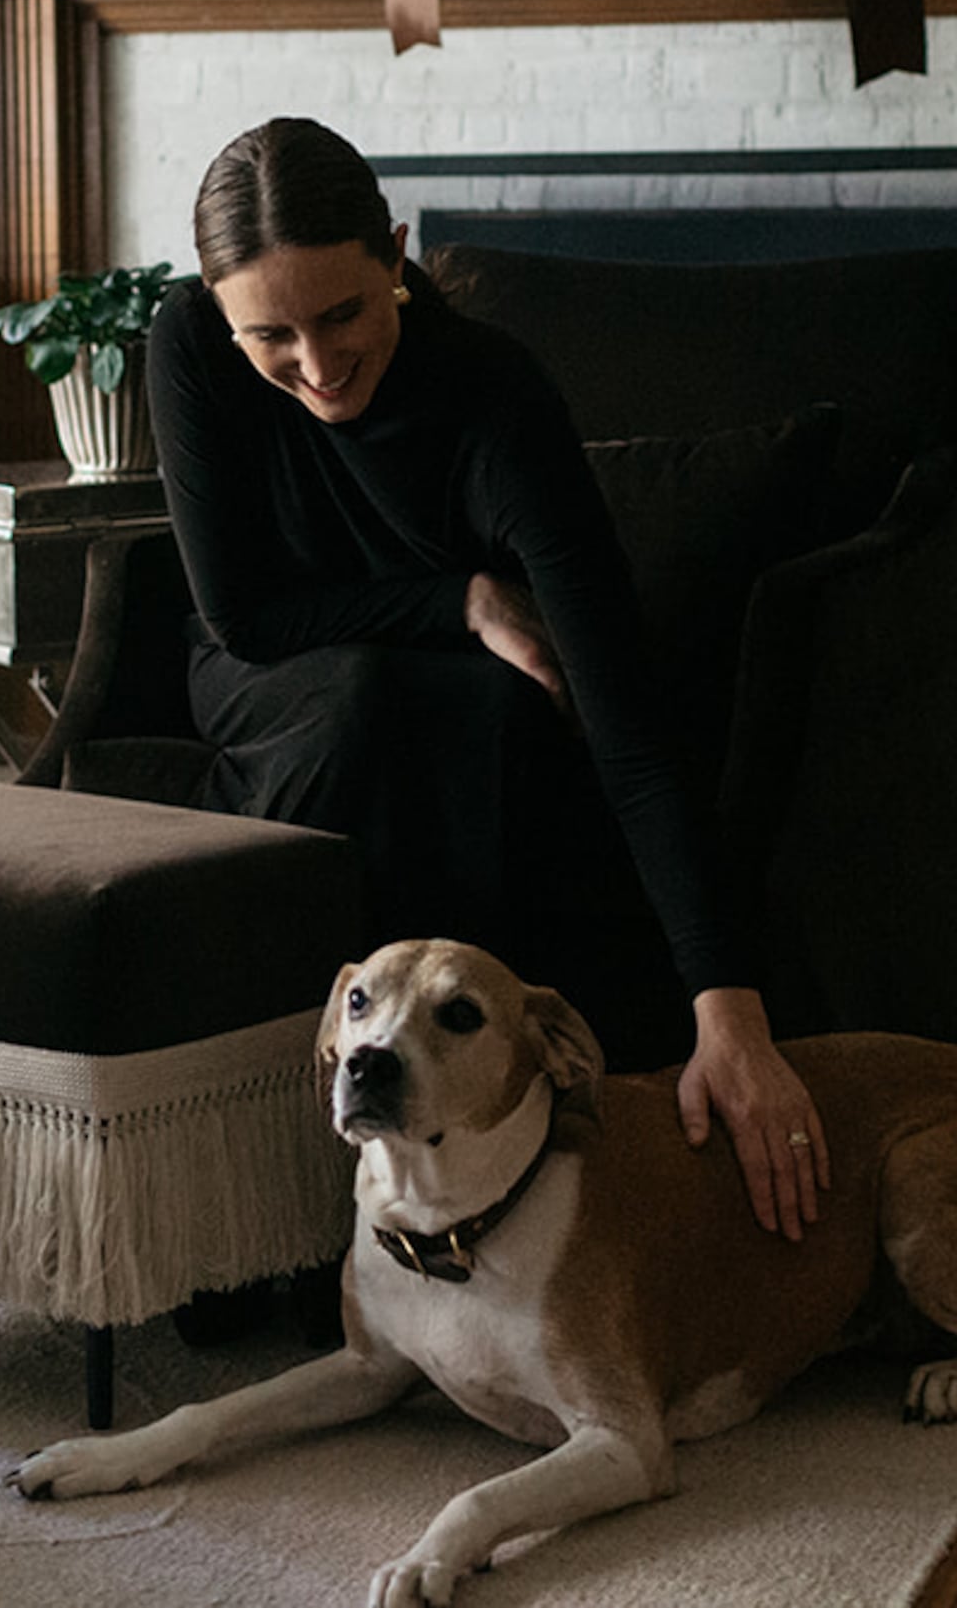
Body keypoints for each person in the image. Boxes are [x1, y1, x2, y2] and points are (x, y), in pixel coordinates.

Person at [145, 115, 828, 1240]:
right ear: (221, 308)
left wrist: (731, 1010)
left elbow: (627, 716)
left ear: (398, 254)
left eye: (344, 314)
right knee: (371, 704)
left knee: (499, 711)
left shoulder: (497, 401)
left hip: (453, 696)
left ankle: (453, 1158)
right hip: (263, 666)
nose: (316, 367)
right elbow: (244, 612)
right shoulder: (187, 341)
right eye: (271, 333)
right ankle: (265, 1179)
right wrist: (457, 596)